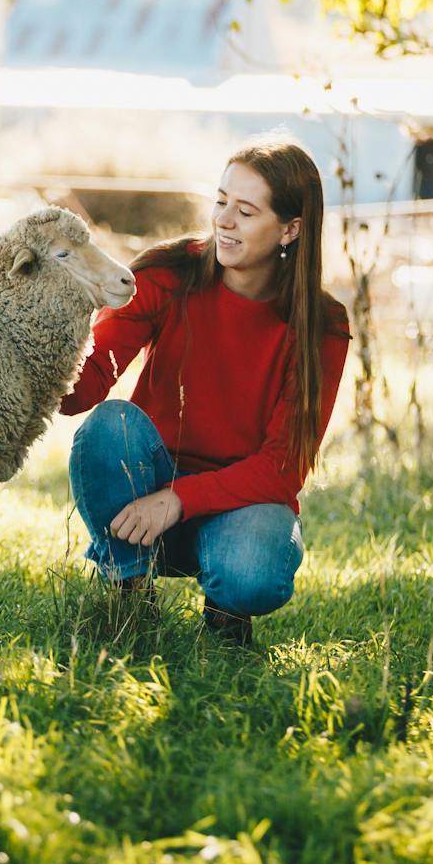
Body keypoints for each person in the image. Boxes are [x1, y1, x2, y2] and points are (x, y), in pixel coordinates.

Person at [60, 138, 350, 644]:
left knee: (254, 573)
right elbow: (82, 390)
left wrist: (180, 499)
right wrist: (39, 329)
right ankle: (129, 594)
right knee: (109, 427)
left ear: (291, 229)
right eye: (220, 202)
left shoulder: (320, 324)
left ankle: (226, 613)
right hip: (144, 490)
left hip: (240, 504)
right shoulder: (167, 275)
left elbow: (282, 468)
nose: (224, 221)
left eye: (245, 211)